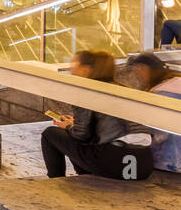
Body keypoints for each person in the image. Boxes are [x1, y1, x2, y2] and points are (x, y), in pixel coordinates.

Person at [41, 50, 154, 181]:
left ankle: (56, 180)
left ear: (86, 70)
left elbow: (81, 135)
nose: (72, 70)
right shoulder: (124, 89)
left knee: (50, 134)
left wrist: (68, 127)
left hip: (115, 163)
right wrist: (75, 124)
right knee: (82, 142)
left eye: (75, 65)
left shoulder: (87, 92)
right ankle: (86, 176)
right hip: (142, 165)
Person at [121, 53, 181, 172]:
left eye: (136, 71)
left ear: (143, 69)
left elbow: (159, 133)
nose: (135, 77)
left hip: (172, 162)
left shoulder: (161, 95)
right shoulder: (175, 83)